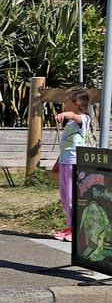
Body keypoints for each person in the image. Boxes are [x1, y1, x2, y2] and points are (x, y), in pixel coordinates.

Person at [51, 87, 92, 242]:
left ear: (75, 103)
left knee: (72, 196)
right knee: (65, 195)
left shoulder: (84, 119)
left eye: (66, 101)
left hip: (74, 162)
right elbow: (66, 144)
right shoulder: (70, 123)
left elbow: (74, 116)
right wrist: (58, 161)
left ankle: (76, 229)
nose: (64, 104)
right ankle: (70, 226)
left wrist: (64, 114)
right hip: (65, 161)